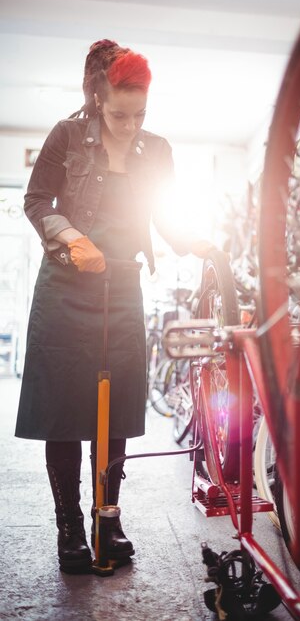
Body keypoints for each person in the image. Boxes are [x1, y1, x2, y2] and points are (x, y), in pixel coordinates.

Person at [15, 39, 213, 573]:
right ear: (100, 98)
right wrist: (72, 238)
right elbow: (35, 202)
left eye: (140, 114)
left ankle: (109, 517)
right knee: (64, 408)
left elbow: (168, 219)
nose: (130, 126)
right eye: (120, 115)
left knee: (117, 407)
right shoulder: (66, 136)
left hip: (122, 285)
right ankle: (69, 529)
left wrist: (202, 243)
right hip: (65, 286)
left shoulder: (157, 150)